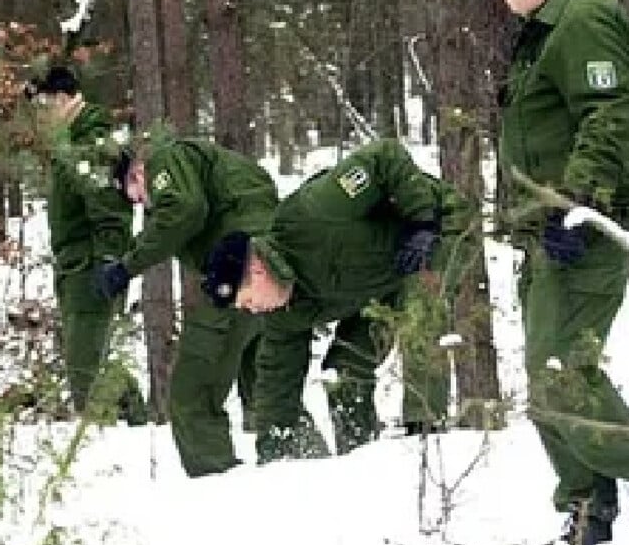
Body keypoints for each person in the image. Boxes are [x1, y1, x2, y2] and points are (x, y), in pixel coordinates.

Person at [484, 0, 629, 545]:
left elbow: (609, 117)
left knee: (558, 369)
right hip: (554, 226)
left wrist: (577, 203)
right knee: (548, 369)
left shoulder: (583, 22)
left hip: (587, 224)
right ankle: (585, 513)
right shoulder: (552, 27)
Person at [201, 138, 471, 462]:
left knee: (421, 314)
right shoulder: (282, 313)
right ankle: (360, 460)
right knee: (344, 371)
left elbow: (385, 157)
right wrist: (272, 454)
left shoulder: (314, 213)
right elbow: (276, 388)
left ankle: (425, 440)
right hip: (380, 283)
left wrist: (421, 221)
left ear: (257, 270)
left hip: (436, 230)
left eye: (245, 300)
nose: (250, 310)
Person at [93, 132, 276, 476]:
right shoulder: (203, 165)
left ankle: (216, 484)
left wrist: (126, 266)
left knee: (192, 392)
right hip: (268, 271)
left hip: (239, 274)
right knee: (268, 384)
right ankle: (300, 462)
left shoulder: (165, 159)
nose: (141, 204)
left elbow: (184, 210)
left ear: (136, 174)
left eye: (134, 196)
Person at [26, 65, 146, 425]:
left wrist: (107, 264)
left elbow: (110, 210)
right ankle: (134, 426)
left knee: (87, 374)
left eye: (43, 106)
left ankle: (114, 435)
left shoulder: (91, 139)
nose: (39, 117)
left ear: (63, 99)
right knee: (91, 365)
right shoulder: (72, 138)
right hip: (75, 268)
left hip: (91, 270)